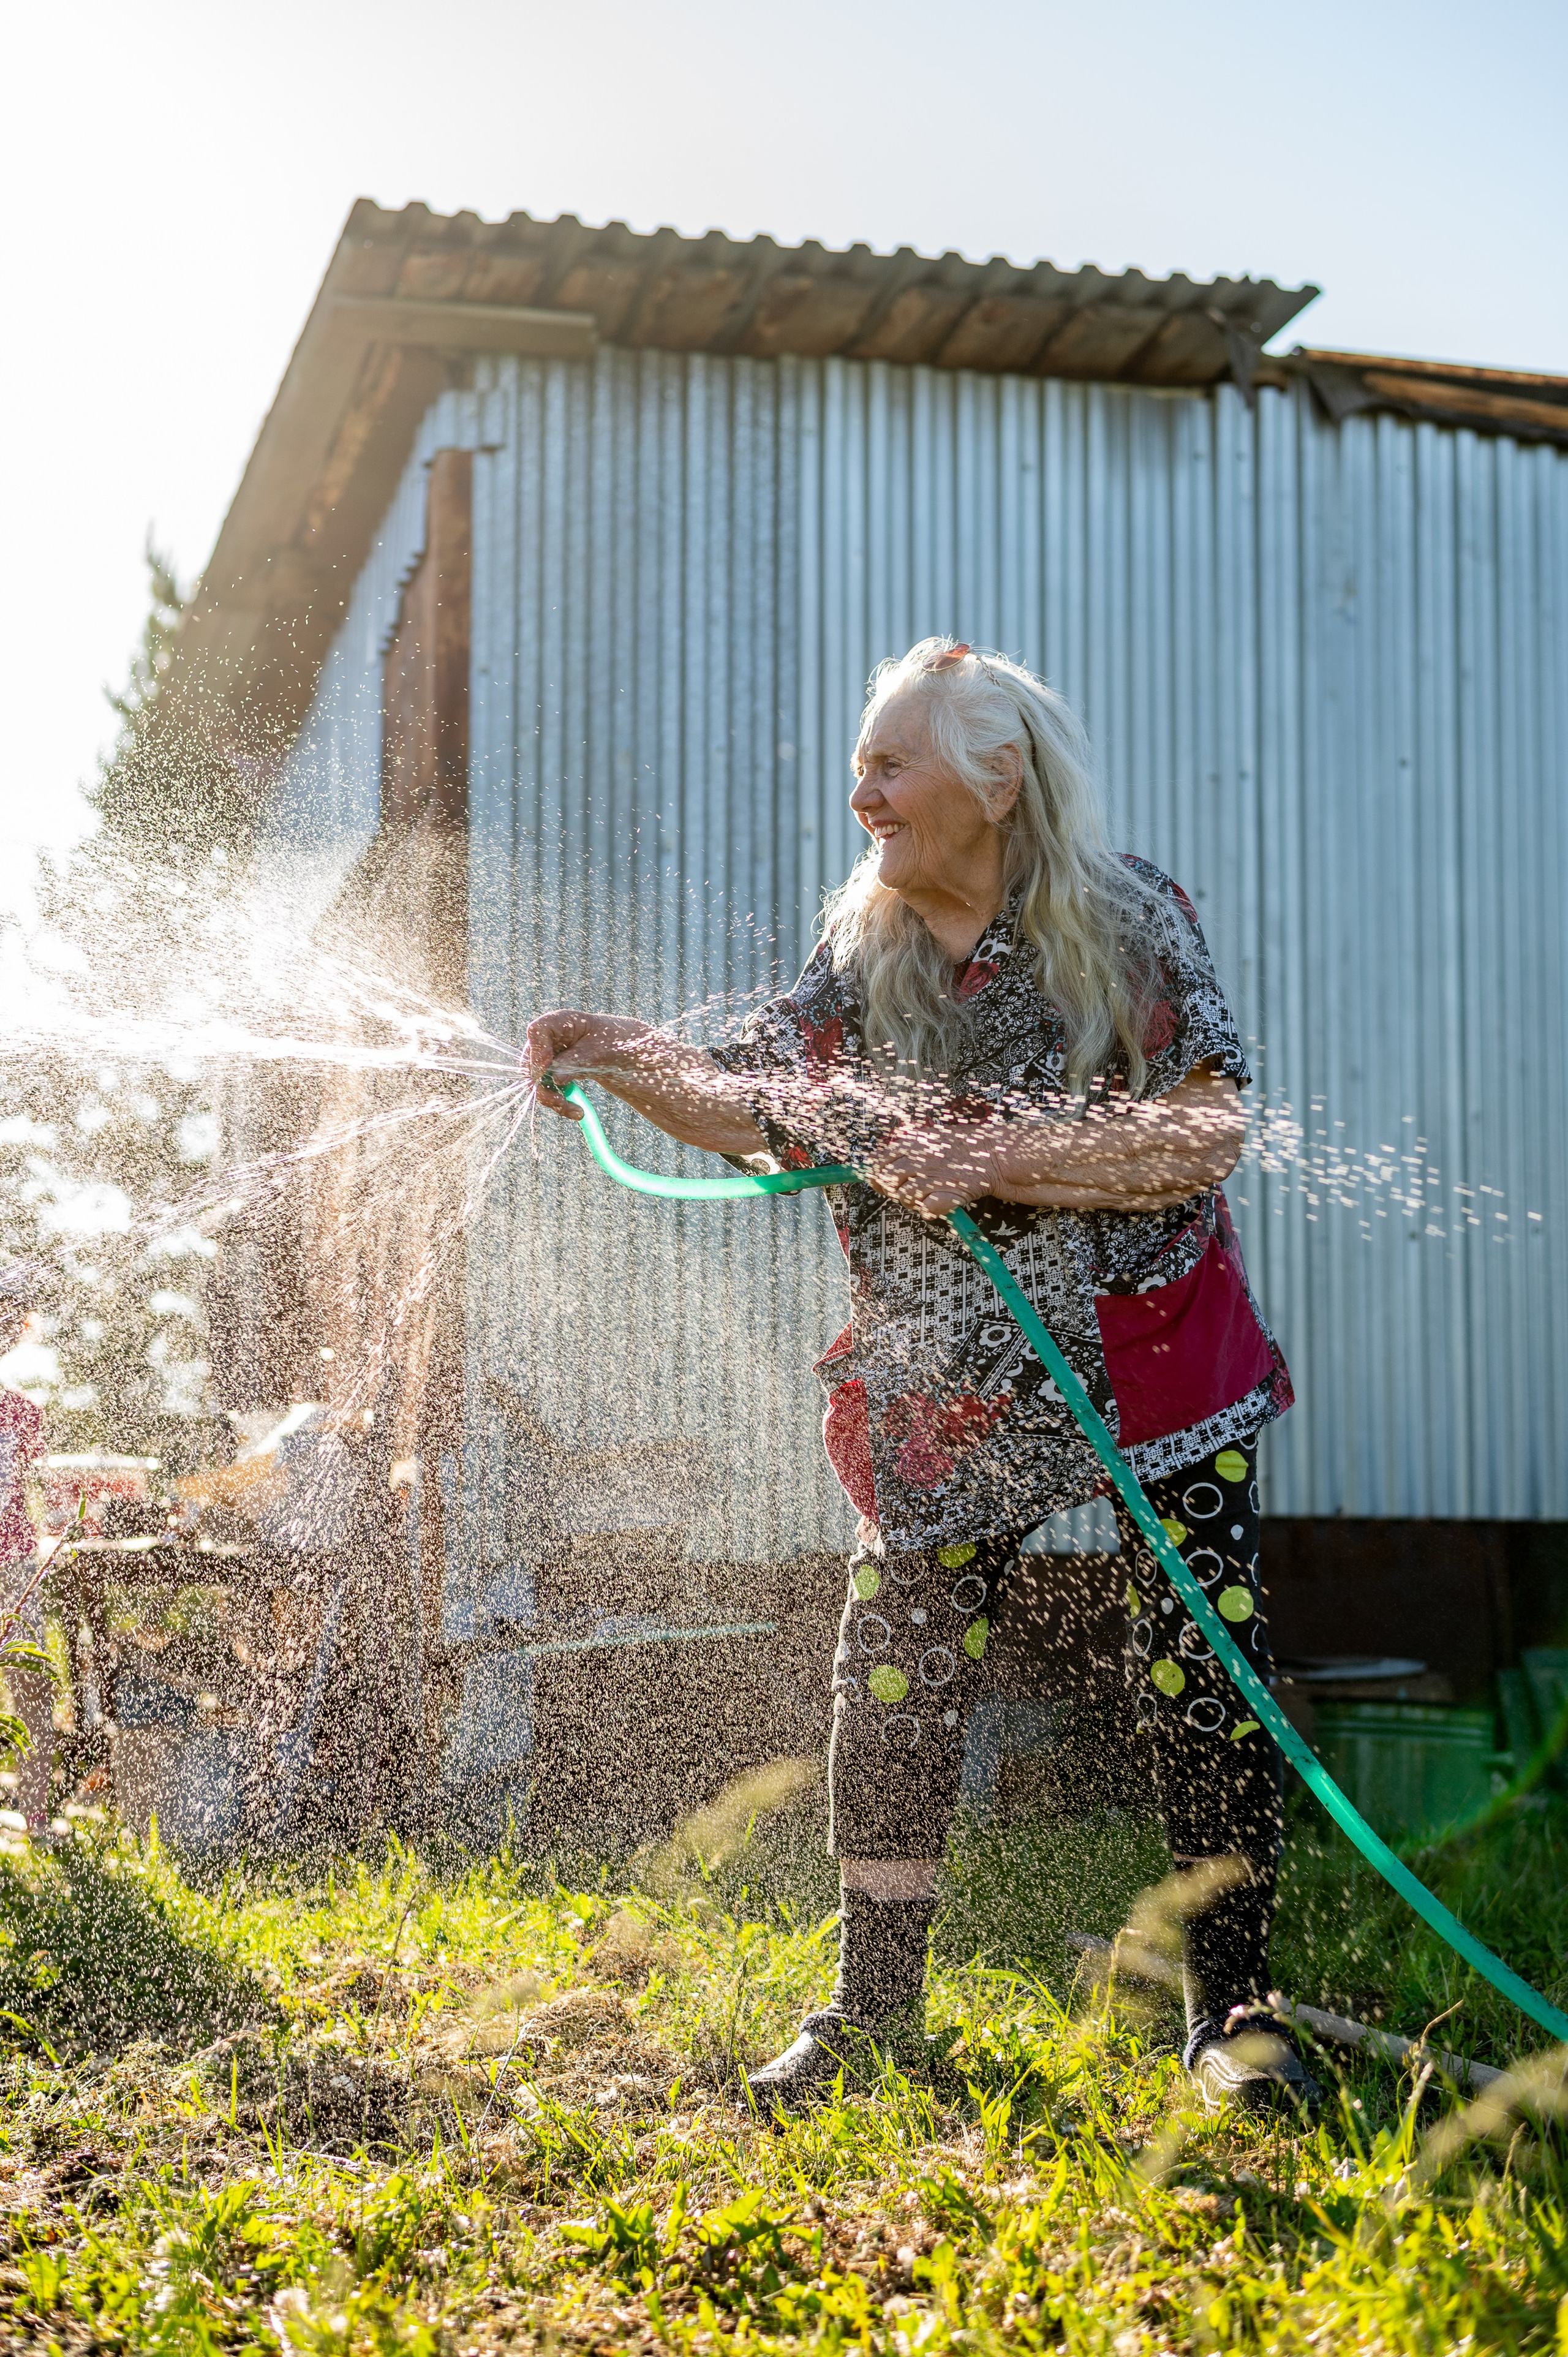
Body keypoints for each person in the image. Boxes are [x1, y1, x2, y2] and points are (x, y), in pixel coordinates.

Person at [524, 638, 1317, 2117]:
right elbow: (760, 1104)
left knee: (1201, 1657)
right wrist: (627, 1056)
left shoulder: (1129, 916)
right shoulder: (861, 946)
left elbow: (1205, 1130)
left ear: (995, 776)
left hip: (1144, 1356)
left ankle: (1230, 2010)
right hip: (941, 1371)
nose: (860, 788)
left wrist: (1001, 1150)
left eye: (889, 761)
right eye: (860, 763)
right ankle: (873, 2011)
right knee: (889, 1668)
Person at [0, 1265, 55, 1839]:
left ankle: (33, 1814)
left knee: (33, 1682)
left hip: (14, 1562)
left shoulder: (24, 1412)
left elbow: (35, 1493)